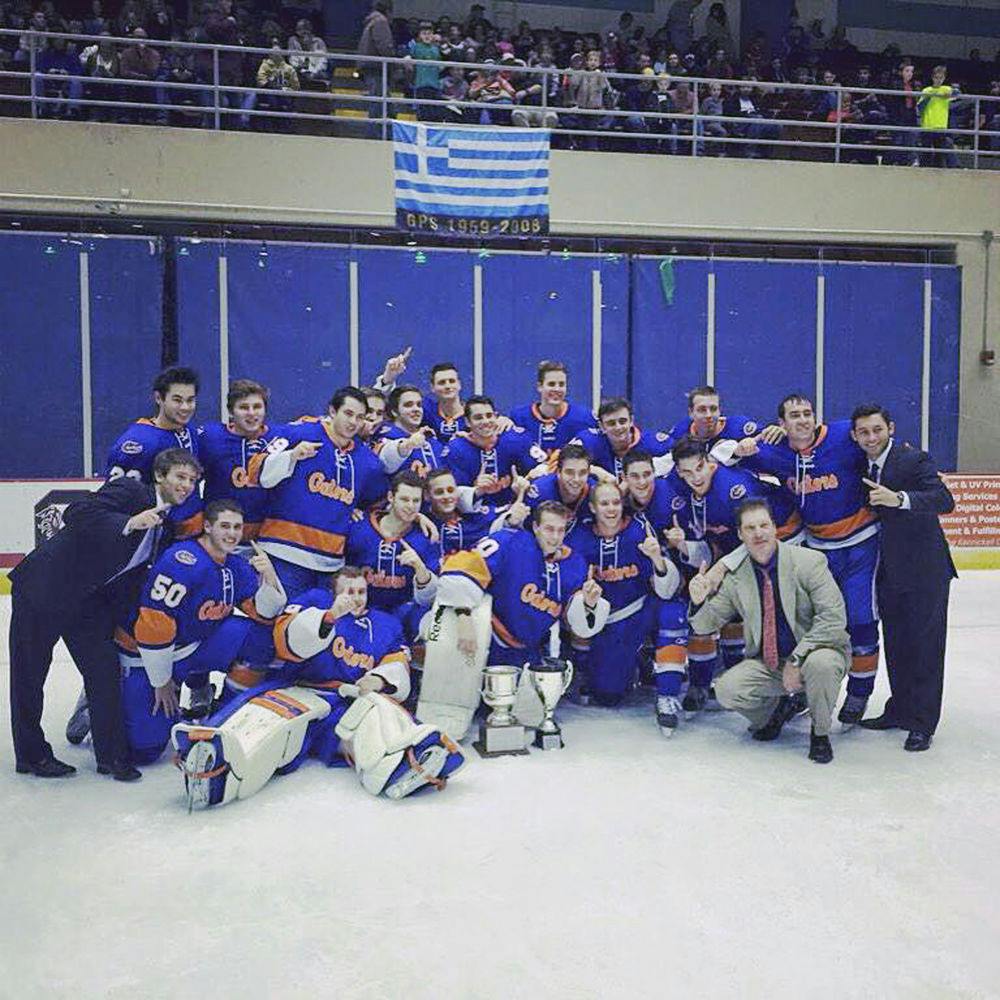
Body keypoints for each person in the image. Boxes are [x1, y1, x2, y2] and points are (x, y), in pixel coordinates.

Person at [9, 448, 200, 781]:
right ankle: (31, 754)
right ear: (160, 476)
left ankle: (111, 757)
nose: (186, 485)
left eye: (192, 480)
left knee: (104, 672)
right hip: (45, 590)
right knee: (30, 674)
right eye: (180, 477)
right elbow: (77, 513)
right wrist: (128, 523)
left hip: (89, 602)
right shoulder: (130, 491)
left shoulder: (166, 528)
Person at [725, 394, 880, 725]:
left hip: (860, 546)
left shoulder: (842, 435)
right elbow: (724, 459)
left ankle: (859, 693)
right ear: (782, 424)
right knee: (806, 624)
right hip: (815, 551)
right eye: (794, 415)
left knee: (860, 619)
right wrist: (747, 444)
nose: (803, 420)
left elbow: (877, 442)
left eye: (808, 413)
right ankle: (800, 692)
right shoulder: (776, 450)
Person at [116, 499, 286, 763]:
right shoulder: (183, 560)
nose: (232, 534)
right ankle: (99, 705)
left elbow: (264, 614)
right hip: (145, 658)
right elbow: (153, 624)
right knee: (145, 750)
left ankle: (230, 711)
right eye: (225, 526)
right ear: (207, 526)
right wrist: (161, 682)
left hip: (193, 646)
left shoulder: (237, 566)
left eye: (237, 528)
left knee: (260, 636)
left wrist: (270, 577)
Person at [688, 499, 851, 763]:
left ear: (775, 528)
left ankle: (820, 733)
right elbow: (706, 624)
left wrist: (797, 661)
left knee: (822, 664)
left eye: (764, 525)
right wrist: (698, 601)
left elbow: (833, 620)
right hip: (770, 661)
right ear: (740, 535)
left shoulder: (809, 562)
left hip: (815, 653)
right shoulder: (736, 577)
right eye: (750, 528)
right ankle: (777, 710)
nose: (759, 533)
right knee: (727, 689)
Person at [851, 404, 957, 751]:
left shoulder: (913, 460)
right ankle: (900, 710)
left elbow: (944, 500)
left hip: (925, 571)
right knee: (897, 644)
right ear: (855, 435)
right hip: (888, 571)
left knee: (925, 647)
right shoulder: (859, 463)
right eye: (864, 432)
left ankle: (923, 723)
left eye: (877, 430)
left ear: (890, 428)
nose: (871, 437)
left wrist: (900, 499)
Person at [438, 501, 609, 666]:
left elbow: (576, 624)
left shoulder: (575, 564)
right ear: (536, 527)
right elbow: (461, 566)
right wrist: (463, 615)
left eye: (561, 530)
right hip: (487, 639)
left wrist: (589, 604)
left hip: (530, 650)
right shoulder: (509, 542)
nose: (555, 537)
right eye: (549, 529)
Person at [255, 386, 388, 595]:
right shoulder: (300, 433)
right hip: (283, 553)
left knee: (323, 625)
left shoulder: (368, 462)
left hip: (330, 565)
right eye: (348, 414)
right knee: (279, 621)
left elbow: (377, 500)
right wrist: (291, 456)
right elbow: (261, 474)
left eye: (360, 417)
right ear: (333, 411)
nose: (353, 422)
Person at [568, 481, 680, 715]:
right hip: (607, 620)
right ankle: (637, 660)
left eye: (616, 502)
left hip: (640, 610)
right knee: (609, 695)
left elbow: (667, 589)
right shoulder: (578, 536)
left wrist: (657, 559)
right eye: (604, 503)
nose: (611, 509)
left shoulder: (639, 529)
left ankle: (668, 694)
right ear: (592, 507)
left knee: (674, 613)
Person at [106, 365, 203, 539]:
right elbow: (116, 498)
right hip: (158, 538)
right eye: (177, 400)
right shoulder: (138, 443)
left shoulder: (189, 430)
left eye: (191, 400)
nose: (185, 407)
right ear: (159, 398)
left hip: (191, 535)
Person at [345, 470, 440, 639]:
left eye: (416, 500)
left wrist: (420, 568)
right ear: (391, 497)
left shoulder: (425, 538)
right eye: (404, 499)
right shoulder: (359, 529)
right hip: (359, 610)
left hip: (404, 615)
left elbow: (430, 599)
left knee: (436, 624)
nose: (411, 506)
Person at [199, 378, 276, 543]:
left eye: (257, 407)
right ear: (231, 412)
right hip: (220, 537)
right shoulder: (210, 437)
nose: (251, 413)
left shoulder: (280, 437)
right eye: (243, 407)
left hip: (266, 540)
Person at [442, 395, 548, 506]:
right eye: (478, 417)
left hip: (519, 509)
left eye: (489, 415)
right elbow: (450, 496)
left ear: (496, 416)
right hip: (474, 518)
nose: (486, 421)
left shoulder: (517, 439)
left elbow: (546, 468)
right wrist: (475, 491)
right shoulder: (455, 450)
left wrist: (528, 482)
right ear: (467, 422)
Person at [509, 360, 597, 460]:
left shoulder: (584, 417)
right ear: (539, 386)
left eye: (561, 384)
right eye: (551, 384)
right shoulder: (519, 417)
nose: (557, 389)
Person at [569, 397, 670, 478]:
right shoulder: (589, 440)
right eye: (611, 423)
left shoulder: (654, 443)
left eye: (622, 421)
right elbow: (563, 462)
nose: (618, 428)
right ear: (601, 426)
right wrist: (596, 471)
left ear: (631, 421)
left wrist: (652, 467)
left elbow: (682, 457)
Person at [375, 384, 446, 477]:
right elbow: (386, 462)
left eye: (419, 405)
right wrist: (408, 445)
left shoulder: (432, 440)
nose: (416, 409)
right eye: (408, 405)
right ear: (394, 411)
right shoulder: (385, 437)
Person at [918, 64, 959, 168]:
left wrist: (952, 93)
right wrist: (930, 96)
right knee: (926, 152)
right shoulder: (927, 90)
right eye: (936, 78)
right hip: (927, 125)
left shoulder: (946, 89)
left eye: (941, 78)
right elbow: (920, 106)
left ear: (944, 78)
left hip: (941, 125)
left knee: (940, 153)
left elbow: (958, 92)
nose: (938, 80)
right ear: (932, 78)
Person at [422, 361, 467, 442]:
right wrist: (391, 378)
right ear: (432, 387)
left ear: (459, 384)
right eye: (442, 382)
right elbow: (399, 404)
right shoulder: (426, 410)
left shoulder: (473, 414)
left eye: (452, 381)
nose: (448, 386)